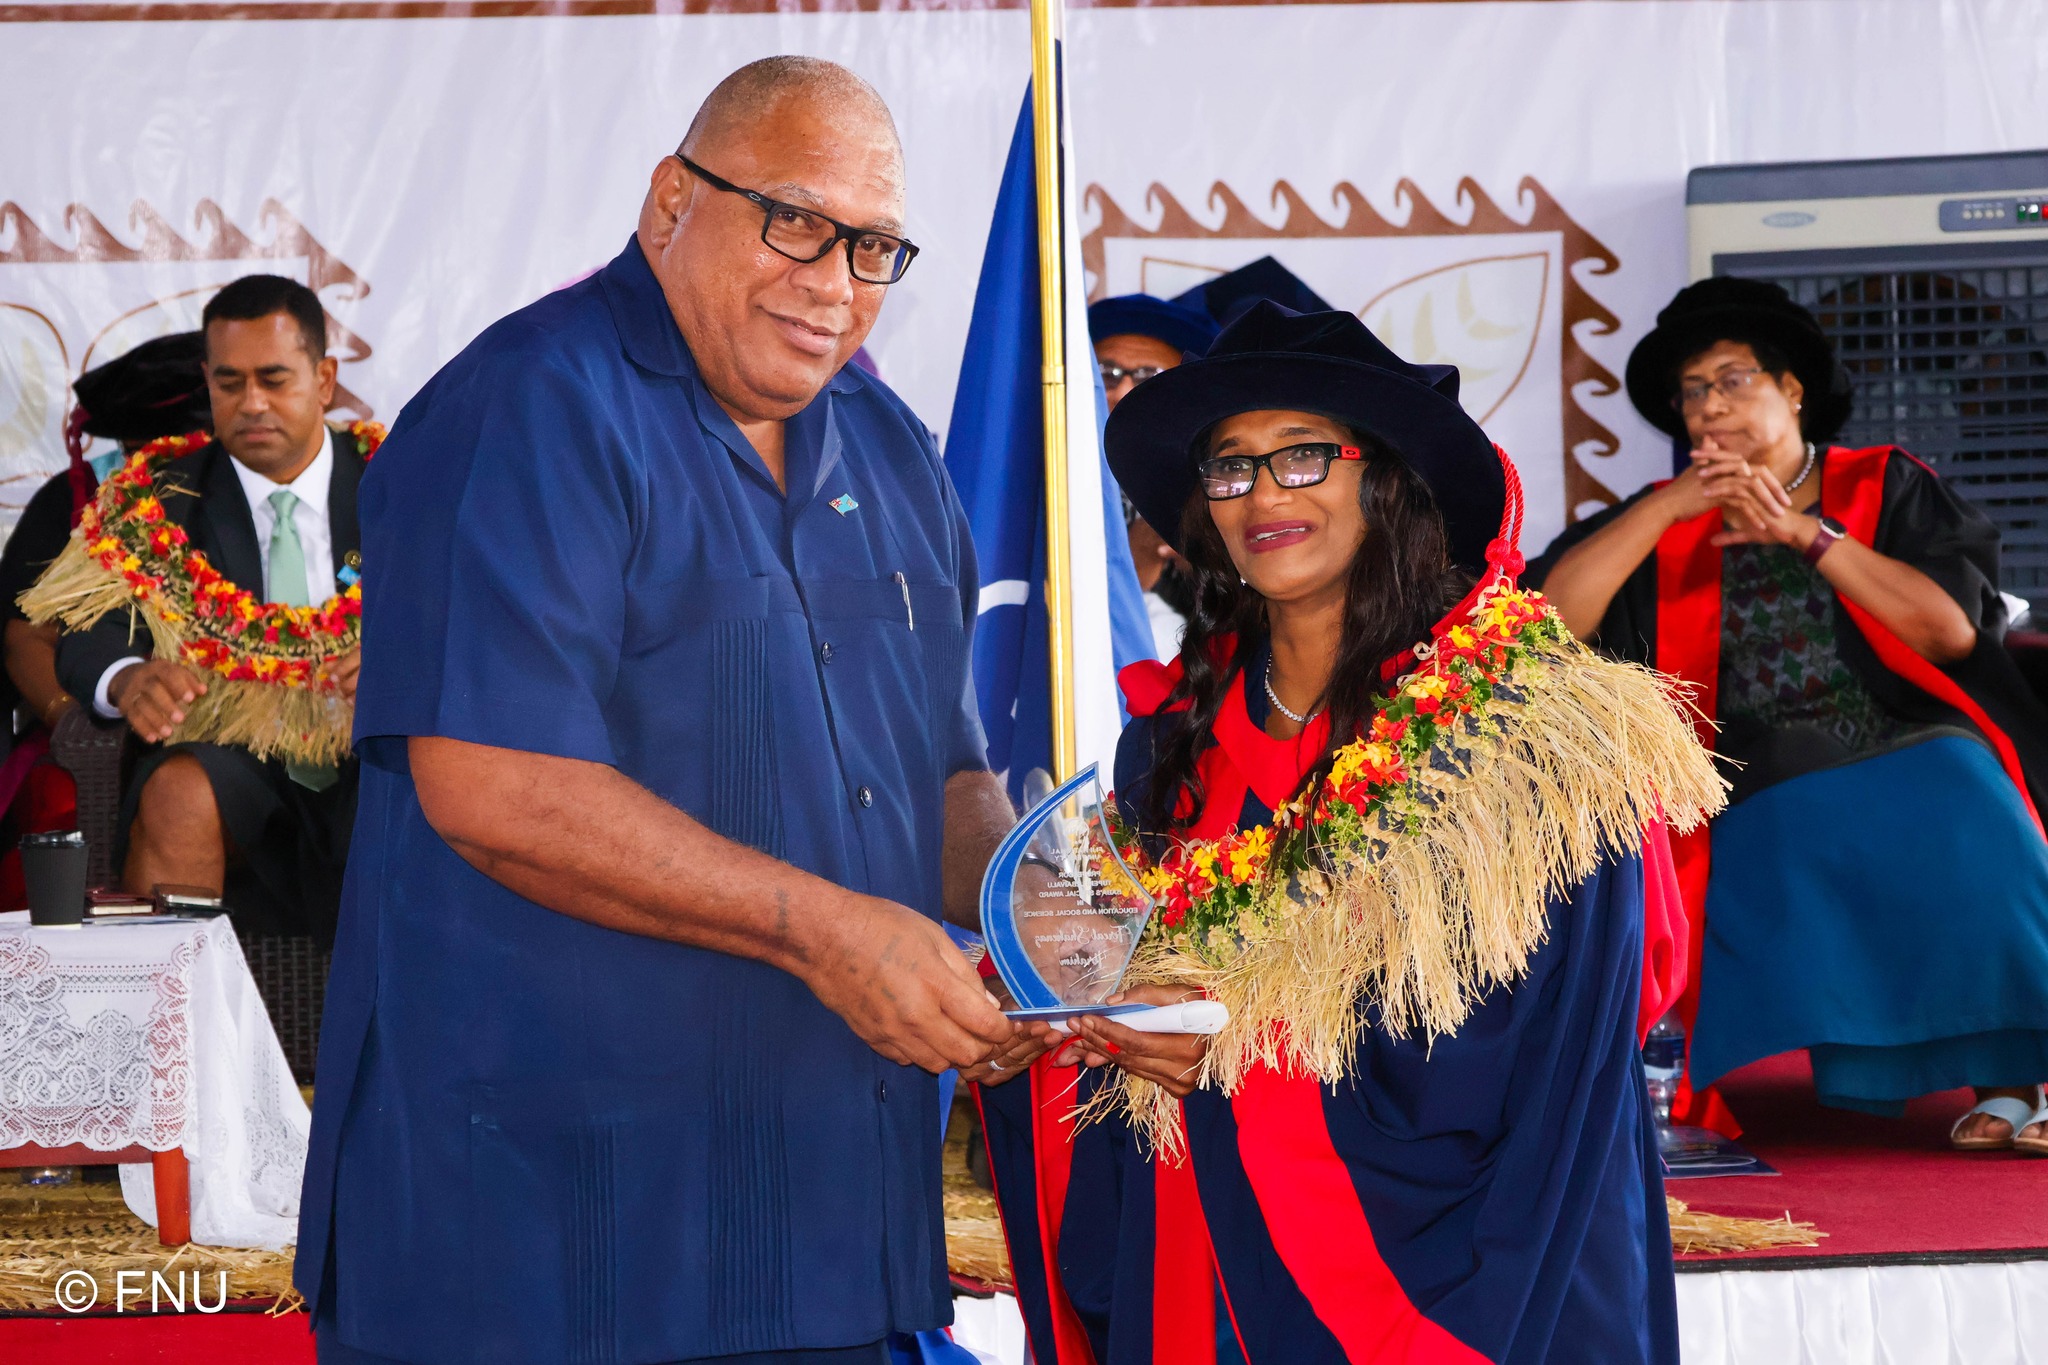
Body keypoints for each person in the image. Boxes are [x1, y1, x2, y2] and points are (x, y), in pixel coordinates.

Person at [296, 57, 1031, 1365]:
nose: (833, 281)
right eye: (796, 220)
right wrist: (829, 932)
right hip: (546, 1239)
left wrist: (1044, 922)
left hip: (817, 1221)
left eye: (874, 248)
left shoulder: (895, 447)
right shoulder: (526, 409)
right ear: (670, 201)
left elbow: (943, 771)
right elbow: (500, 789)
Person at [978, 303, 1720, 1363]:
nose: (1260, 494)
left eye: (1300, 456)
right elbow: (1123, 1023)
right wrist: (1051, 1027)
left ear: (1384, 478)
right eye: (1227, 468)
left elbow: (1533, 1040)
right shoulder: (1173, 753)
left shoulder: (1521, 734)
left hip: (1463, 1283)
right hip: (1207, 1269)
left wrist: (1231, 1051)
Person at [1531, 276, 2048, 1152]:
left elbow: (1952, 630)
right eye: (1692, 392)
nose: (1708, 406)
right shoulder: (1663, 523)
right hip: (1753, 772)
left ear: (1792, 390)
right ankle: (1998, 1079)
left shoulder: (1882, 484)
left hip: (1907, 735)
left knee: (1962, 796)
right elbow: (1546, 622)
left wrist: (1807, 534)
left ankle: (2016, 1076)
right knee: (1806, 817)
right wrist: (1666, 506)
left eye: (1732, 380)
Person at [47, 281, 362, 941]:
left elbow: (485, 622)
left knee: (452, 788)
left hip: (373, 754)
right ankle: (175, 1036)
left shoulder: (400, 481)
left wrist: (408, 659)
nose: (252, 403)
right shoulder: (158, 499)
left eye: (274, 379)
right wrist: (128, 678)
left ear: (325, 378)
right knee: (179, 793)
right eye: (229, 382)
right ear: (207, 382)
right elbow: (84, 637)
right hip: (232, 762)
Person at [0, 332, 213, 904]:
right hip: (102, 718)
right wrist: (72, 716)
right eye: (141, 445)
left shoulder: (247, 496)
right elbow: (26, 634)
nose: (161, 463)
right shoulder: (82, 496)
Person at [1092, 259, 1333, 662]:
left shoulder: (1226, 482)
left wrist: (1210, 564)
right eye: (1108, 373)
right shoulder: (1037, 484)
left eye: (1149, 375)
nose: (1124, 391)